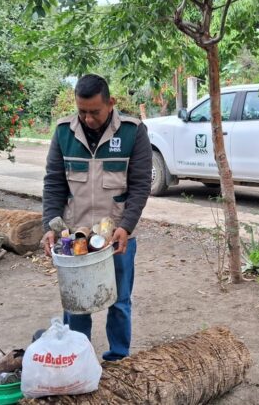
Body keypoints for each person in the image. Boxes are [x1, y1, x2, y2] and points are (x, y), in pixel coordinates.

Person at [41, 74, 152, 361]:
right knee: (76, 301)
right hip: (74, 236)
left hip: (117, 235)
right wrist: (50, 226)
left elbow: (140, 186)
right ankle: (79, 357)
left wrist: (126, 226)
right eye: (82, 111)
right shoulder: (64, 131)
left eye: (95, 112)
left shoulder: (133, 132)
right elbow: (54, 183)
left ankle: (118, 357)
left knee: (119, 299)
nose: (88, 119)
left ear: (111, 103)